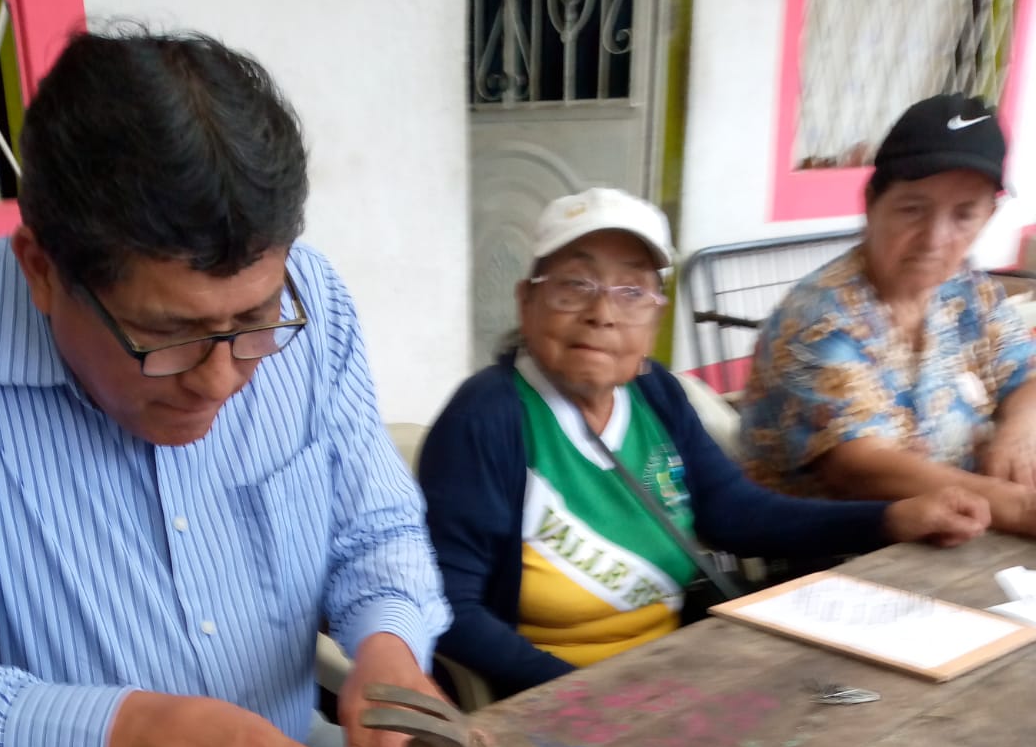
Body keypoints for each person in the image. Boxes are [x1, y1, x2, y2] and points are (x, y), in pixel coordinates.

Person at [0, 30, 451, 747]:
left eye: (256, 320)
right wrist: (130, 739)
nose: (222, 380)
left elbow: (374, 527)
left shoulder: (317, 302)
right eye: (167, 334)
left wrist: (389, 644)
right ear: (41, 270)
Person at [418, 187, 987, 700]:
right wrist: (583, 695)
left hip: (674, 673)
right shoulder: (486, 418)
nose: (602, 314)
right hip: (553, 699)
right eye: (574, 286)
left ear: (654, 318)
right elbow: (451, 608)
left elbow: (737, 512)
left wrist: (891, 518)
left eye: (631, 291)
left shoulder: (655, 394)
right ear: (527, 302)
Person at [740, 94, 1036, 534]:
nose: (934, 239)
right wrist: (1014, 506)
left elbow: (1025, 375)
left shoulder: (968, 292)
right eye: (913, 209)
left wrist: (1019, 430)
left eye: (964, 215)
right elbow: (860, 467)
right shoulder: (821, 317)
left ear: (987, 216)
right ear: (871, 202)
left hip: (960, 535)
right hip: (844, 553)